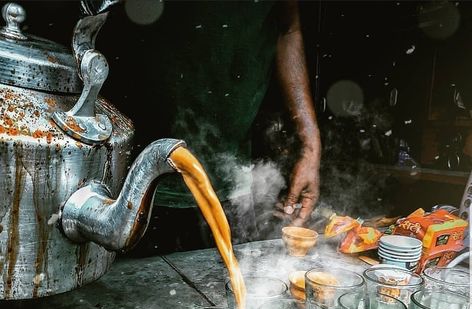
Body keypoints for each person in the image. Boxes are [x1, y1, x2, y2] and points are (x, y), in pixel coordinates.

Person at [85, 0, 322, 253]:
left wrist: (310, 144)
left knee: (229, 285)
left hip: (233, 183)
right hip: (131, 188)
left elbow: (288, 28)